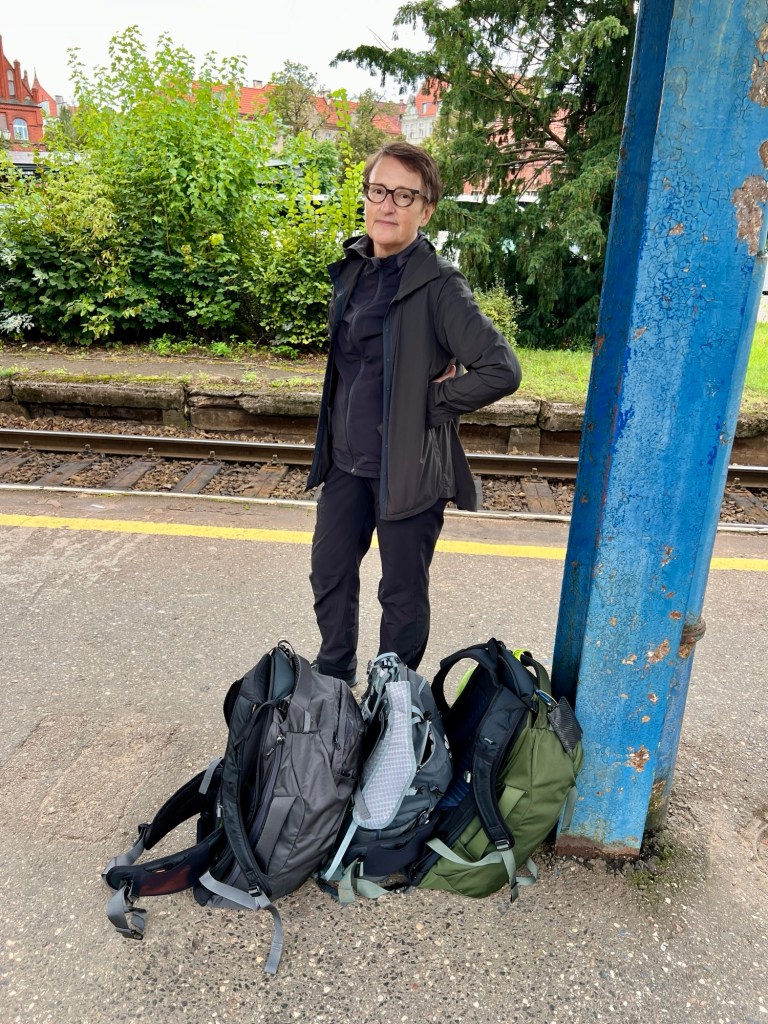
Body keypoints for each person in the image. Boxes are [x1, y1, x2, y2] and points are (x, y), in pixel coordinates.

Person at [306, 141, 522, 685]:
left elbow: (501, 369)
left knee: (400, 592)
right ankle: (334, 679)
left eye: (405, 196)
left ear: (426, 211)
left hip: (409, 468)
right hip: (346, 462)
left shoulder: (439, 285)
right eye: (378, 191)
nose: (387, 205)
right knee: (329, 572)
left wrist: (430, 403)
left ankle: (392, 693)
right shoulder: (354, 269)